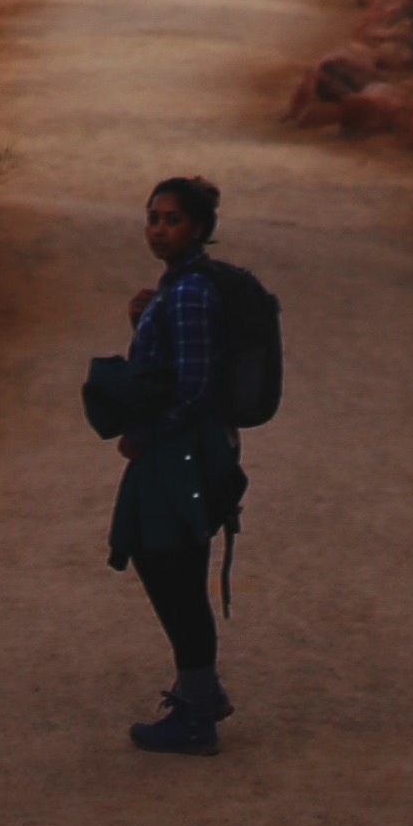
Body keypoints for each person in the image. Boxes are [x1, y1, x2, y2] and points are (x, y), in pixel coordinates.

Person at [100, 171, 242, 756]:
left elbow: (193, 388)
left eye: (172, 219)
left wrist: (143, 438)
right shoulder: (175, 286)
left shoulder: (188, 291)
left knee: (172, 570)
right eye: (153, 219)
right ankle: (201, 695)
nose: (159, 229)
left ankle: (196, 712)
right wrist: (142, 323)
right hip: (177, 450)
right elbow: (166, 369)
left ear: (200, 229)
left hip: (181, 453)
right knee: (168, 565)